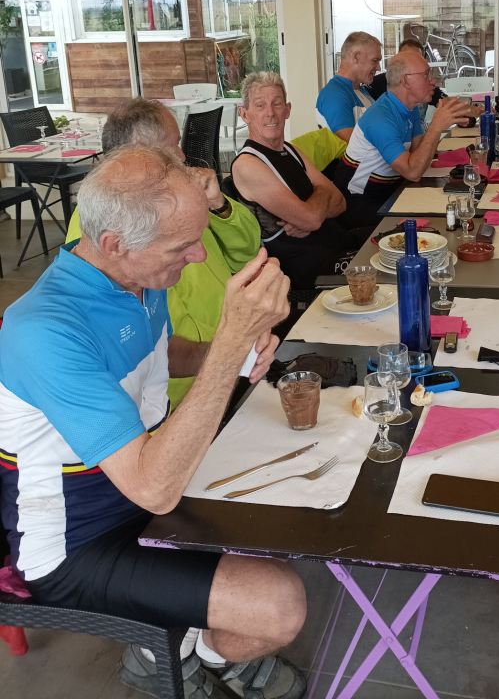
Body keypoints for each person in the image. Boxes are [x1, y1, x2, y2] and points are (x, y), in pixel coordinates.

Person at [0, 146, 306, 699]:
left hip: (142, 491)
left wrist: (229, 355)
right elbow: (153, 488)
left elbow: (162, 354)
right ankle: (168, 654)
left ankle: (191, 648)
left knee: (289, 507)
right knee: (279, 605)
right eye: (181, 246)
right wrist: (230, 341)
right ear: (115, 244)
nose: (197, 255)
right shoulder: (45, 330)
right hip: (77, 543)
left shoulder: (136, 280)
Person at [66, 98, 262, 408]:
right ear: (138, 156)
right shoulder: (103, 225)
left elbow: (246, 251)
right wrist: (222, 354)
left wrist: (218, 205)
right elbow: (134, 341)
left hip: (224, 358)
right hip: (183, 390)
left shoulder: (176, 197)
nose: (183, 156)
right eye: (173, 146)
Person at [231, 72, 364, 288]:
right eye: (260, 105)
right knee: (394, 267)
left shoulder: (291, 150)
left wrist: (313, 213)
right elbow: (312, 219)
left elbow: (339, 202)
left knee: (403, 240)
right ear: (244, 114)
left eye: (277, 104)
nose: (270, 113)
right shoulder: (248, 164)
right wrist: (319, 200)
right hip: (309, 267)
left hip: (337, 243)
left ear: (287, 110)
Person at [334, 50, 471, 225]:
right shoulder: (380, 118)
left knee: (457, 206)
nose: (433, 81)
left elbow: (419, 158)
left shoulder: (410, 108)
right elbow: (413, 172)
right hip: (360, 204)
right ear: (406, 80)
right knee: (446, 218)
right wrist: (436, 126)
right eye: (426, 74)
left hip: (390, 192)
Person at [369, 37, 478, 127]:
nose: (432, 81)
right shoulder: (375, 86)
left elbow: (449, 105)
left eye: (416, 59)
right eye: (407, 57)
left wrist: (470, 116)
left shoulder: (424, 89)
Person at [316, 31, 382, 142]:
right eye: (375, 60)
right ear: (356, 57)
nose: (378, 68)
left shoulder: (361, 91)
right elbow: (353, 146)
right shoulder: (334, 95)